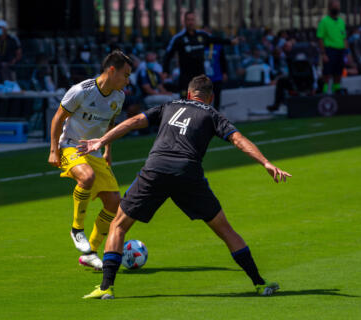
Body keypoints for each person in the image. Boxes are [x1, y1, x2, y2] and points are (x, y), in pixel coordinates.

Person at [80, 75, 291, 299]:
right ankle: (259, 283)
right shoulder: (212, 114)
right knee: (225, 230)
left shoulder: (168, 106)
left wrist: (101, 141)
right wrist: (265, 162)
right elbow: (238, 140)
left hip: (156, 169)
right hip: (187, 174)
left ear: (189, 94)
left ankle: (106, 288)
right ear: (211, 97)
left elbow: (133, 122)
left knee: (119, 226)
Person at [48, 51, 132, 270]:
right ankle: (77, 230)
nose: (127, 80)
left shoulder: (118, 97)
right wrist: (53, 150)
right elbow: (58, 117)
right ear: (111, 71)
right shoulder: (80, 91)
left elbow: (110, 126)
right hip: (71, 146)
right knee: (87, 177)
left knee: (114, 203)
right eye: (125, 74)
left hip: (94, 152)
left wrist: (108, 151)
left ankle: (91, 253)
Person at [163, 11, 239, 97]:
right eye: (188, 20)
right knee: (185, 103)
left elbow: (215, 40)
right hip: (186, 77)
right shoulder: (178, 38)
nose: (191, 22)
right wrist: (165, 71)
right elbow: (168, 55)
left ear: (195, 21)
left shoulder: (202, 35)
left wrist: (230, 42)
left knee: (201, 103)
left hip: (200, 76)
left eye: (192, 20)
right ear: (184, 21)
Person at [317, 0, 348, 94]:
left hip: (340, 50)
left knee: (338, 72)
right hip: (329, 50)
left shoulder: (341, 22)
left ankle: (337, 90)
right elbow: (320, 38)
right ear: (330, 7)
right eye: (335, 6)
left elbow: (344, 38)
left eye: (338, 6)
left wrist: (347, 52)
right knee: (327, 73)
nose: (337, 8)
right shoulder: (324, 21)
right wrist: (323, 53)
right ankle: (324, 92)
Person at [203, 27, 229, 110]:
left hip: (217, 76)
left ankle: (216, 117)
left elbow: (223, 60)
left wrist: (224, 72)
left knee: (217, 98)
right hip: (204, 78)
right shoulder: (200, 45)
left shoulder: (218, 46)